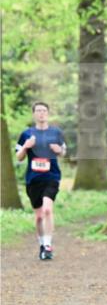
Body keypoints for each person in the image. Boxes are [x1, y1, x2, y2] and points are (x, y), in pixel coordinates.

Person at [14, 102, 66, 260]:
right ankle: (42, 244)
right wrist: (26, 147)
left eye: (44, 111)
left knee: (47, 210)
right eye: (38, 111)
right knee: (38, 216)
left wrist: (60, 150)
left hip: (52, 176)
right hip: (33, 179)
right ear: (34, 114)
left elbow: (64, 152)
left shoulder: (56, 132)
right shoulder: (26, 134)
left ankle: (48, 245)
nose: (41, 113)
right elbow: (19, 157)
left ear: (48, 113)